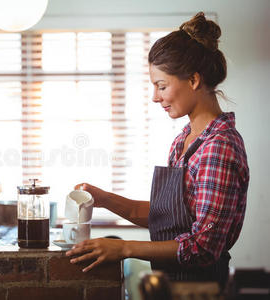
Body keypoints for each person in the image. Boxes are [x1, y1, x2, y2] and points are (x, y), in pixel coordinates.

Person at [66, 12, 249, 288]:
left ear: (194, 80)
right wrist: (103, 198)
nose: (155, 97)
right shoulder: (184, 141)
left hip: (202, 290)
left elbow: (203, 246)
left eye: (161, 86)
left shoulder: (219, 147)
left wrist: (124, 248)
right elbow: (167, 219)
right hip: (170, 285)